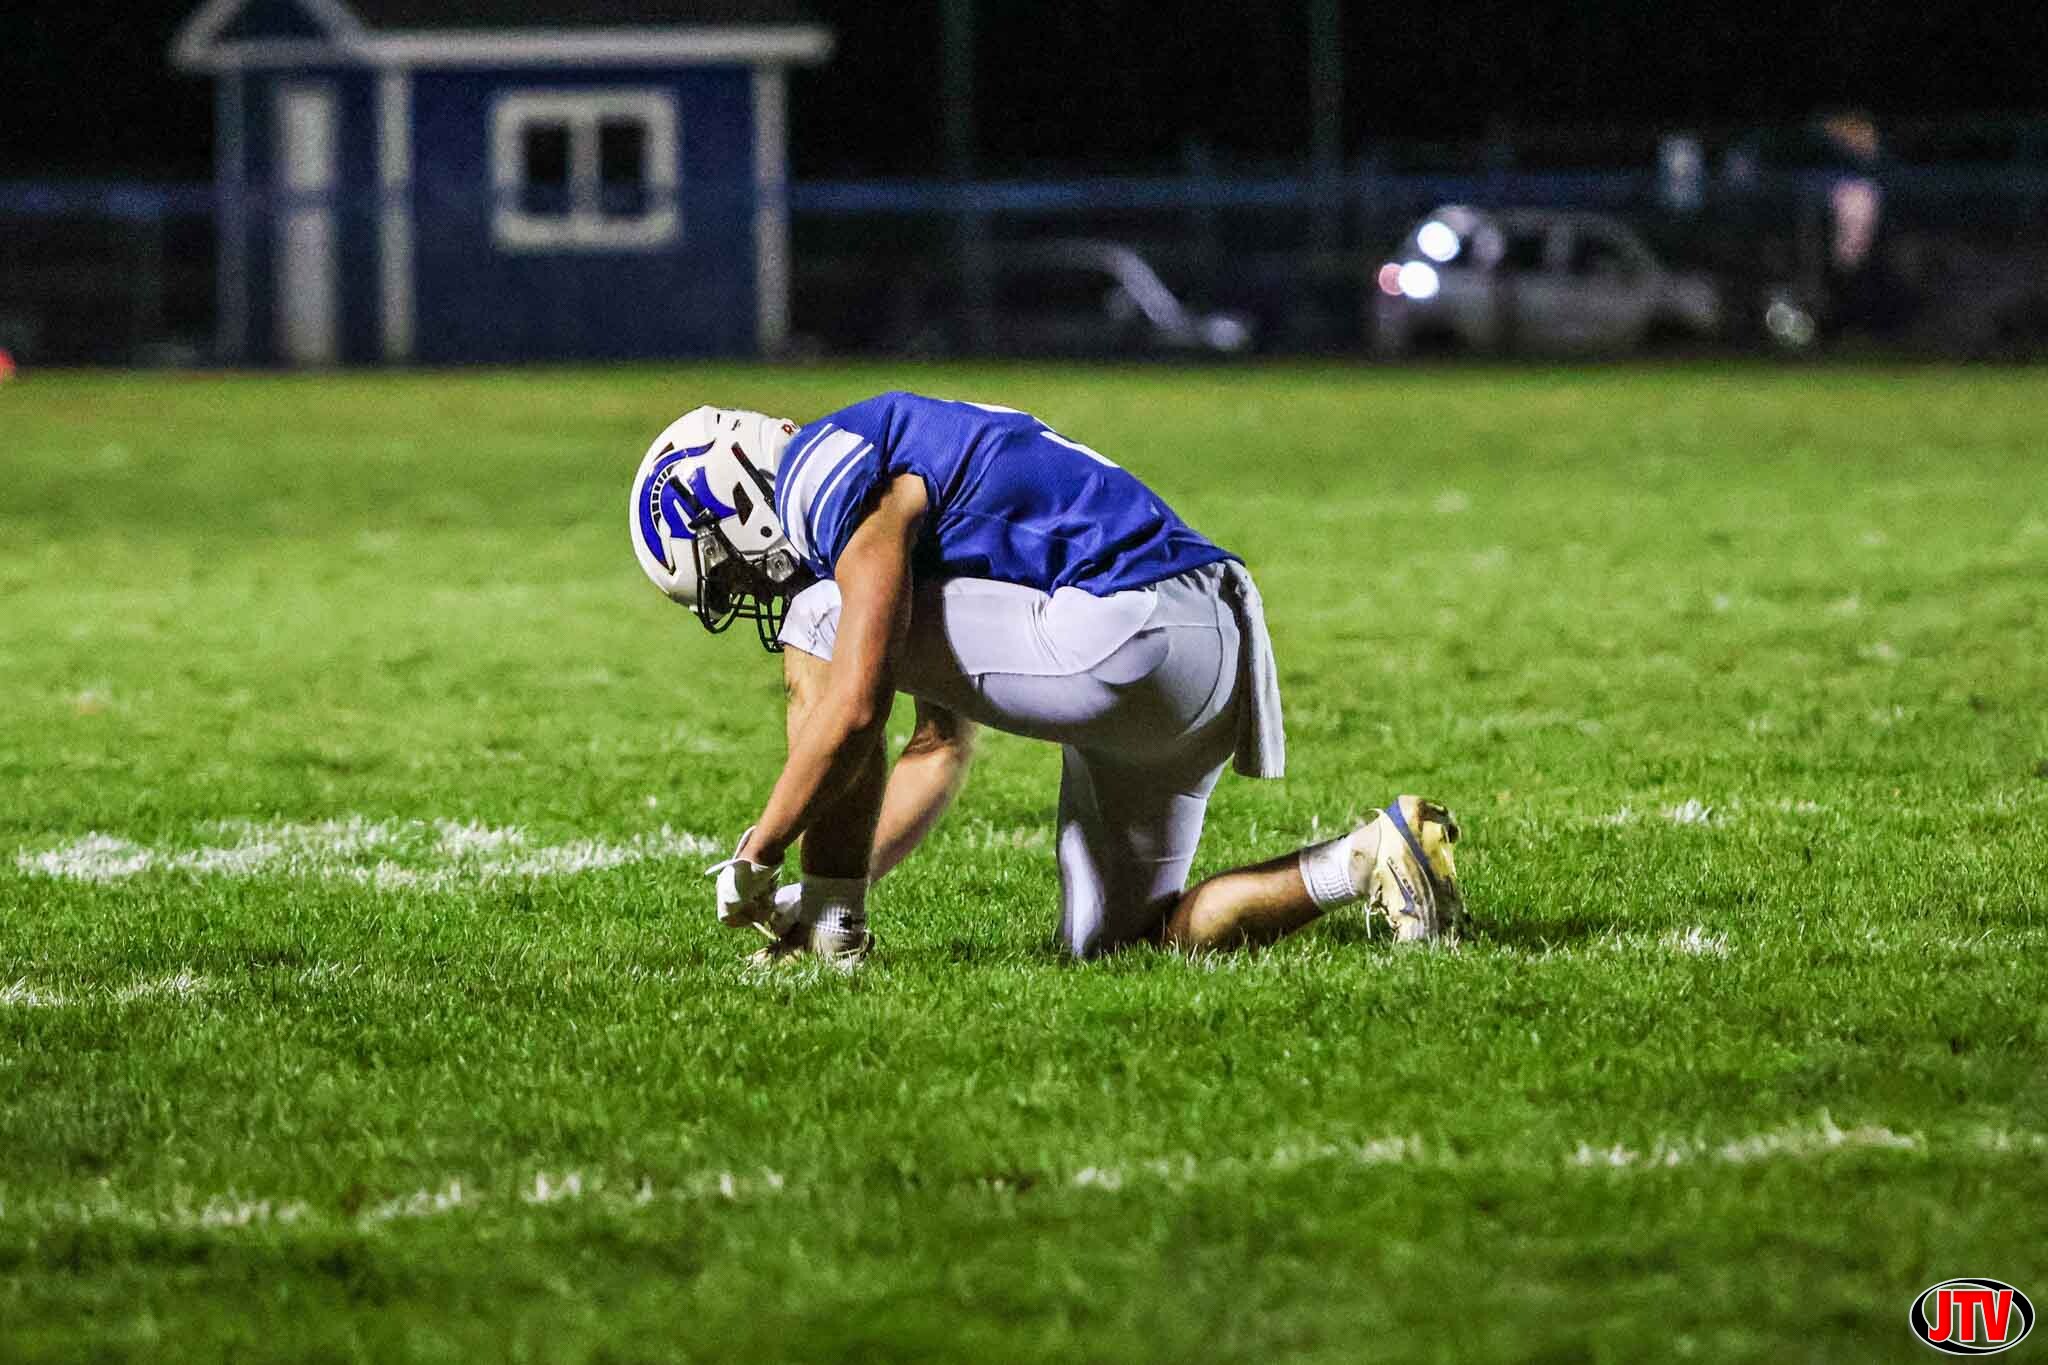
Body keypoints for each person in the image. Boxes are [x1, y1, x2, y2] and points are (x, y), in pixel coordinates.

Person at [628, 393, 1465, 966]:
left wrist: (763, 852)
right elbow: (937, 748)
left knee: (821, 615)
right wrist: (825, 886)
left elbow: (852, 710)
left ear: (735, 498)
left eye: (730, 573)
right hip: (1202, 643)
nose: (752, 590)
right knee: (1123, 949)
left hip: (1131, 624)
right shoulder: (890, 456)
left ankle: (829, 941)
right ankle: (1371, 857)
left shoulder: (816, 467)